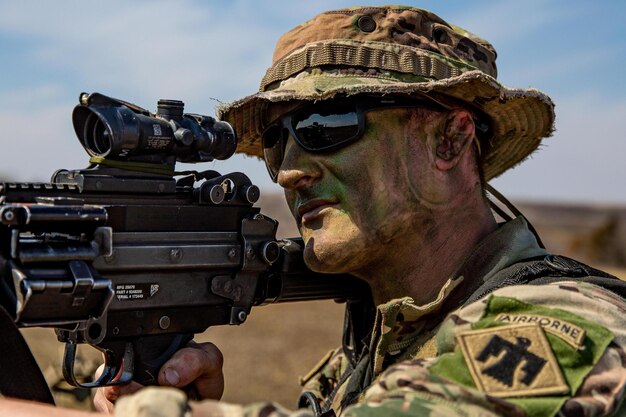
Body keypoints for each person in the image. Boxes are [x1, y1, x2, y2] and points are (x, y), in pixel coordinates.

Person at [2, 5, 626, 417]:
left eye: (326, 123)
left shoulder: (563, 327)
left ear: (451, 140)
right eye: (277, 140)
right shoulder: (372, 344)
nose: (290, 168)